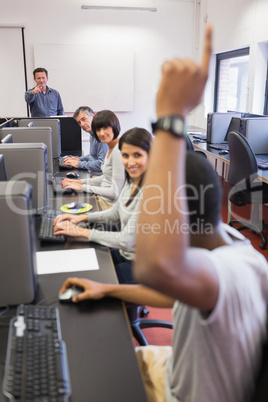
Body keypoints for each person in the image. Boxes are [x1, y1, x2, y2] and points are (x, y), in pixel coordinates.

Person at [59, 24, 268, 402]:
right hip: (178, 369)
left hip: (178, 394)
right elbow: (174, 292)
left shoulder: (210, 272)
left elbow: (154, 266)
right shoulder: (238, 250)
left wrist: (171, 116)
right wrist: (108, 288)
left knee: (78, 372)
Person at [54, 127, 152, 284]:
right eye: (125, 156)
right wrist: (80, 218)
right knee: (80, 263)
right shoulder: (132, 180)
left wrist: (81, 231)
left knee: (88, 278)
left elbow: (125, 240)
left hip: (141, 266)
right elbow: (115, 214)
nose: (130, 162)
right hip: (126, 254)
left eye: (137, 155)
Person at [60, 109, 125, 210]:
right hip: (103, 199)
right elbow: (106, 178)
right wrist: (80, 182)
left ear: (114, 126)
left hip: (109, 205)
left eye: (105, 128)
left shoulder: (117, 151)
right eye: (98, 130)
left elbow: (115, 193)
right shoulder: (110, 148)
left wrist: (83, 187)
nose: (101, 133)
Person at [60, 106, 108, 175]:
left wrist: (79, 164)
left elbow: (101, 164)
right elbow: (92, 156)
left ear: (93, 116)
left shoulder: (101, 136)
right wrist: (80, 159)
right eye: (79, 122)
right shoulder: (92, 134)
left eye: (84, 119)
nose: (82, 124)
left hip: (101, 178)